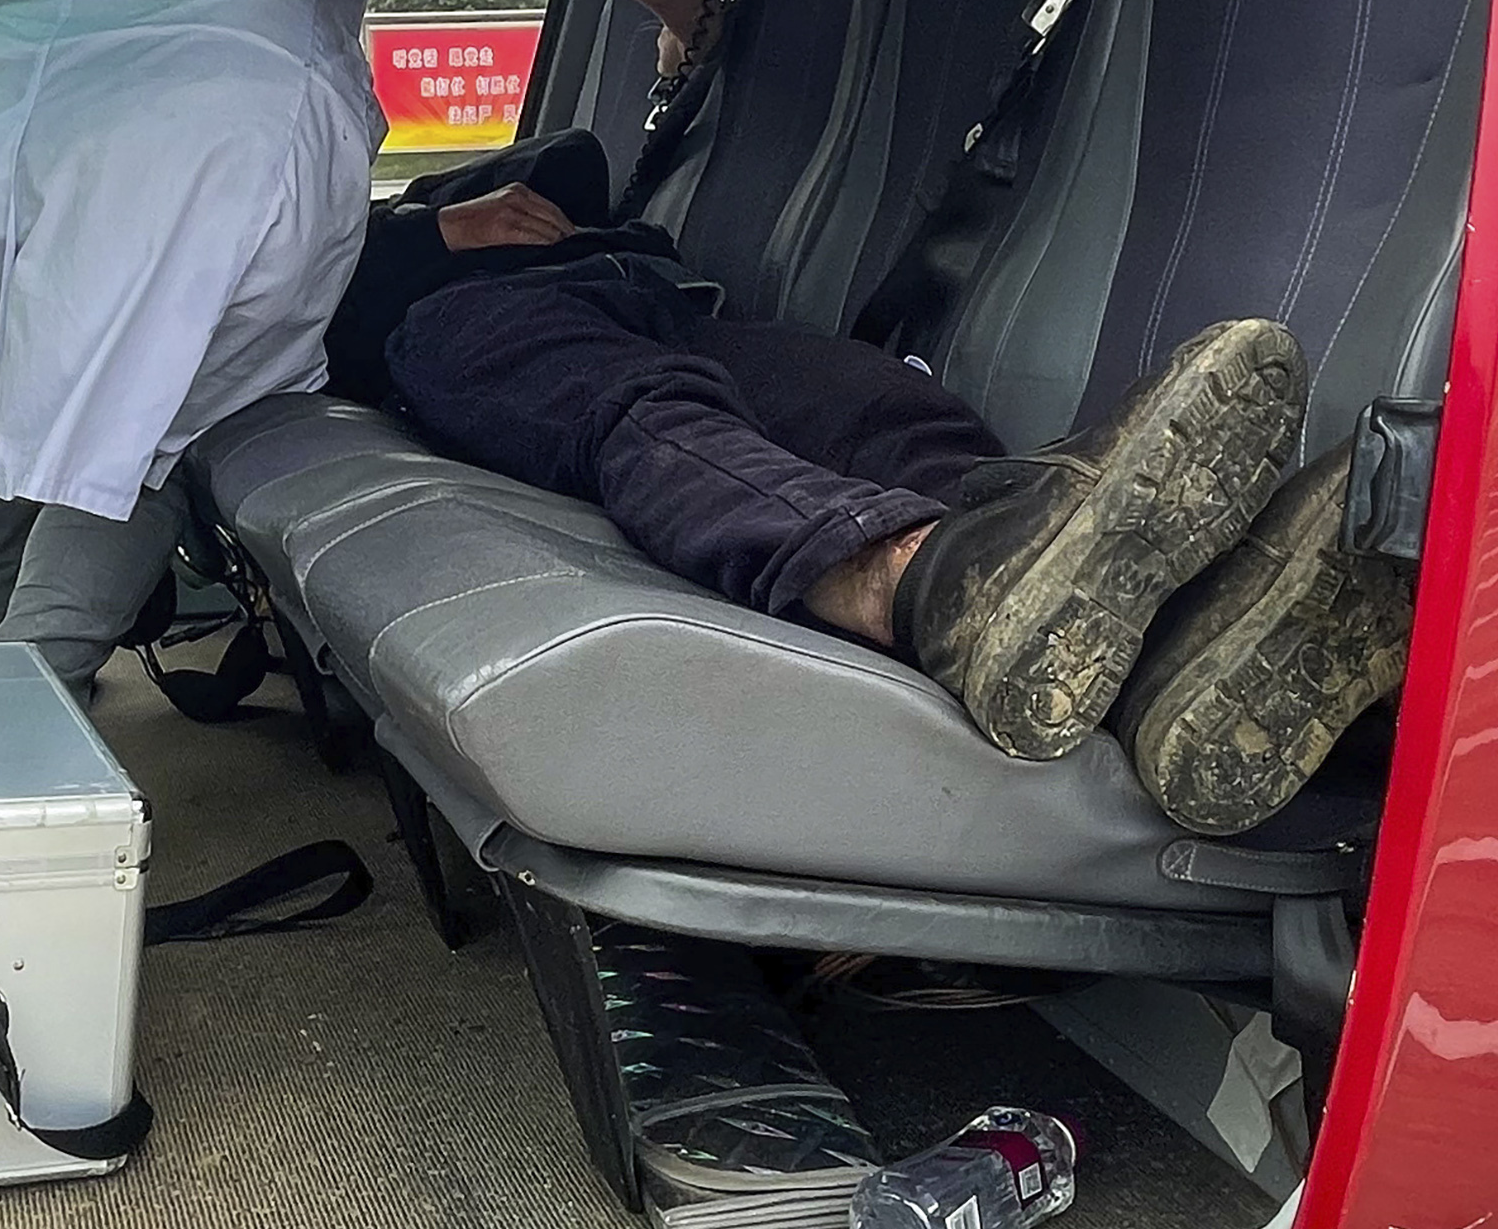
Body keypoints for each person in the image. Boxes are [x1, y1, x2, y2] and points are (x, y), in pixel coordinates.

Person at [0, 0, 717, 689]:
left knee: (15, 348)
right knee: (154, 435)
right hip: (205, 149)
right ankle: (29, 694)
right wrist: (693, 24)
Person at [370, 190, 1406, 840]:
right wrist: (418, 230)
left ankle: (1149, 660)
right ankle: (913, 581)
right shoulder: (366, 240)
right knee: (641, 420)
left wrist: (689, 32)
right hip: (464, 311)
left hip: (669, 293)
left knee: (894, 420)